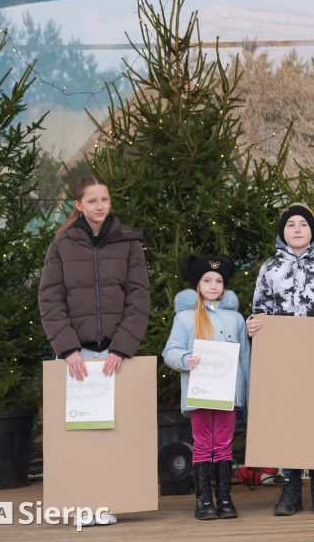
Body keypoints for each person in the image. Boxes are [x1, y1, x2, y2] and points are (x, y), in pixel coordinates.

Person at [38, 175, 151, 527]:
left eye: (105, 199)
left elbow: (139, 297)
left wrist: (122, 347)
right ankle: (83, 503)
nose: (100, 206)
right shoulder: (61, 245)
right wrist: (68, 349)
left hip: (117, 356)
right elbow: (50, 298)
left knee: (114, 435)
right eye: (92, 201)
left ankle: (109, 501)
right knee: (81, 435)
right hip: (79, 357)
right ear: (78, 205)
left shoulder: (128, 242)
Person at [249, 202, 314, 515]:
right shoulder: (269, 268)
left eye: (303, 224)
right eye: (291, 224)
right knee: (290, 415)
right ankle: (290, 486)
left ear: (313, 230)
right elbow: (260, 309)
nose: (297, 229)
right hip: (284, 356)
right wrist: (254, 323)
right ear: (283, 232)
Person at [162, 254, 249, 521]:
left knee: (223, 444)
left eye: (219, 280)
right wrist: (185, 360)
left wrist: (244, 395)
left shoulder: (236, 319)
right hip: (199, 393)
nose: (213, 285)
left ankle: (224, 498)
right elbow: (170, 351)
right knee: (202, 444)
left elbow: (244, 357)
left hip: (228, 395)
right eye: (207, 280)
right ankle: (203, 500)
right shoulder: (186, 319)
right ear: (197, 284)